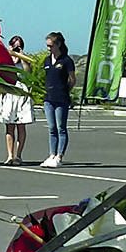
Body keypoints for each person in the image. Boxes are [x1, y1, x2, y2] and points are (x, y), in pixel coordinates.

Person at [0, 35, 35, 164]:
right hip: (9, 90)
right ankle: (10, 155)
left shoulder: (24, 59)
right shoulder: (6, 58)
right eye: (15, 46)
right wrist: (10, 54)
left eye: (20, 46)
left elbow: (27, 72)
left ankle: (18, 155)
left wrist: (21, 56)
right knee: (9, 125)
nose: (17, 48)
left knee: (21, 126)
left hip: (21, 91)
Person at [39, 31, 75, 167]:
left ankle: (59, 156)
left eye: (51, 46)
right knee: (51, 128)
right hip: (48, 98)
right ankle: (52, 154)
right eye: (47, 46)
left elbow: (72, 79)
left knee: (61, 127)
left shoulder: (66, 61)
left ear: (58, 44)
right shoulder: (47, 60)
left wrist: (65, 91)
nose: (49, 49)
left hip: (61, 98)